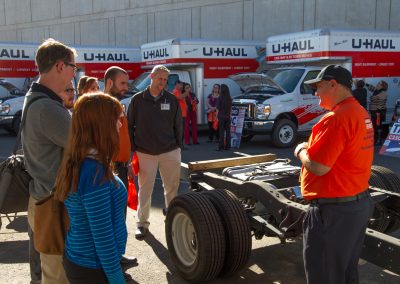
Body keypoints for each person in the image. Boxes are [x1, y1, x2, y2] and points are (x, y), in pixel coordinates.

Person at [294, 65, 374, 284]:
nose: (315, 93)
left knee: (325, 275)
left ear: (333, 84)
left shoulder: (336, 118)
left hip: (332, 212)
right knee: (344, 273)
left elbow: (319, 166)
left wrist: (300, 150)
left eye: (318, 87)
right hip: (355, 205)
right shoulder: (360, 112)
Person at [54, 93, 127, 284]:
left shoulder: (85, 160)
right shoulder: (93, 172)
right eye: (117, 120)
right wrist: (117, 279)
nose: (120, 125)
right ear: (101, 125)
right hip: (93, 268)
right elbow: (102, 238)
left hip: (84, 261)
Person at [22, 38, 76, 284]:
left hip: (45, 200)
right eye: (73, 66)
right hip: (51, 205)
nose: (75, 72)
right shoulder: (47, 107)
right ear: (60, 66)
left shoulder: (39, 98)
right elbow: (86, 144)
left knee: (54, 273)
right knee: (57, 277)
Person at [127, 64, 182, 239]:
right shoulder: (137, 99)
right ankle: (142, 223)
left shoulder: (171, 100)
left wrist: (177, 146)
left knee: (172, 188)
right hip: (145, 152)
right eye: (160, 79)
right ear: (152, 77)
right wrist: (132, 149)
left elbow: (178, 125)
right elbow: (130, 126)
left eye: (166, 80)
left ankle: (173, 220)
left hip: (169, 151)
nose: (163, 83)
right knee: (145, 188)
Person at [103, 66, 137, 266]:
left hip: (121, 166)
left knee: (119, 214)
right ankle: (111, 259)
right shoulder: (103, 106)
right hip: (110, 167)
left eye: (127, 82)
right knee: (112, 215)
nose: (126, 87)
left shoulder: (117, 104)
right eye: (122, 83)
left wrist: (128, 162)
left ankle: (116, 254)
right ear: (109, 82)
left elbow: (124, 137)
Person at [367, 80, 388, 145]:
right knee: (375, 126)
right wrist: (366, 84)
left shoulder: (383, 93)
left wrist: (378, 113)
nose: (377, 84)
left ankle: (378, 141)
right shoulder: (377, 91)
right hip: (374, 112)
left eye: (379, 83)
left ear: (382, 86)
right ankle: (376, 140)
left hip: (378, 113)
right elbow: (372, 88)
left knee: (378, 127)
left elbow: (381, 104)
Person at [216, 84, 232, 151]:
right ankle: (228, 146)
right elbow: (230, 108)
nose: (219, 90)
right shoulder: (229, 98)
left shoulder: (220, 98)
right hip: (228, 117)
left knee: (221, 132)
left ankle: (221, 147)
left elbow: (217, 109)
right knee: (228, 132)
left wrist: (216, 116)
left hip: (221, 117)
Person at [173, 80, 187, 147]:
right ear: (177, 84)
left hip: (182, 114)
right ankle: (179, 145)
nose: (182, 86)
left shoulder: (179, 91)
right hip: (180, 114)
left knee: (181, 130)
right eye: (181, 85)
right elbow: (180, 97)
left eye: (182, 85)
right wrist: (187, 91)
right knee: (180, 130)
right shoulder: (175, 91)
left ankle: (181, 144)